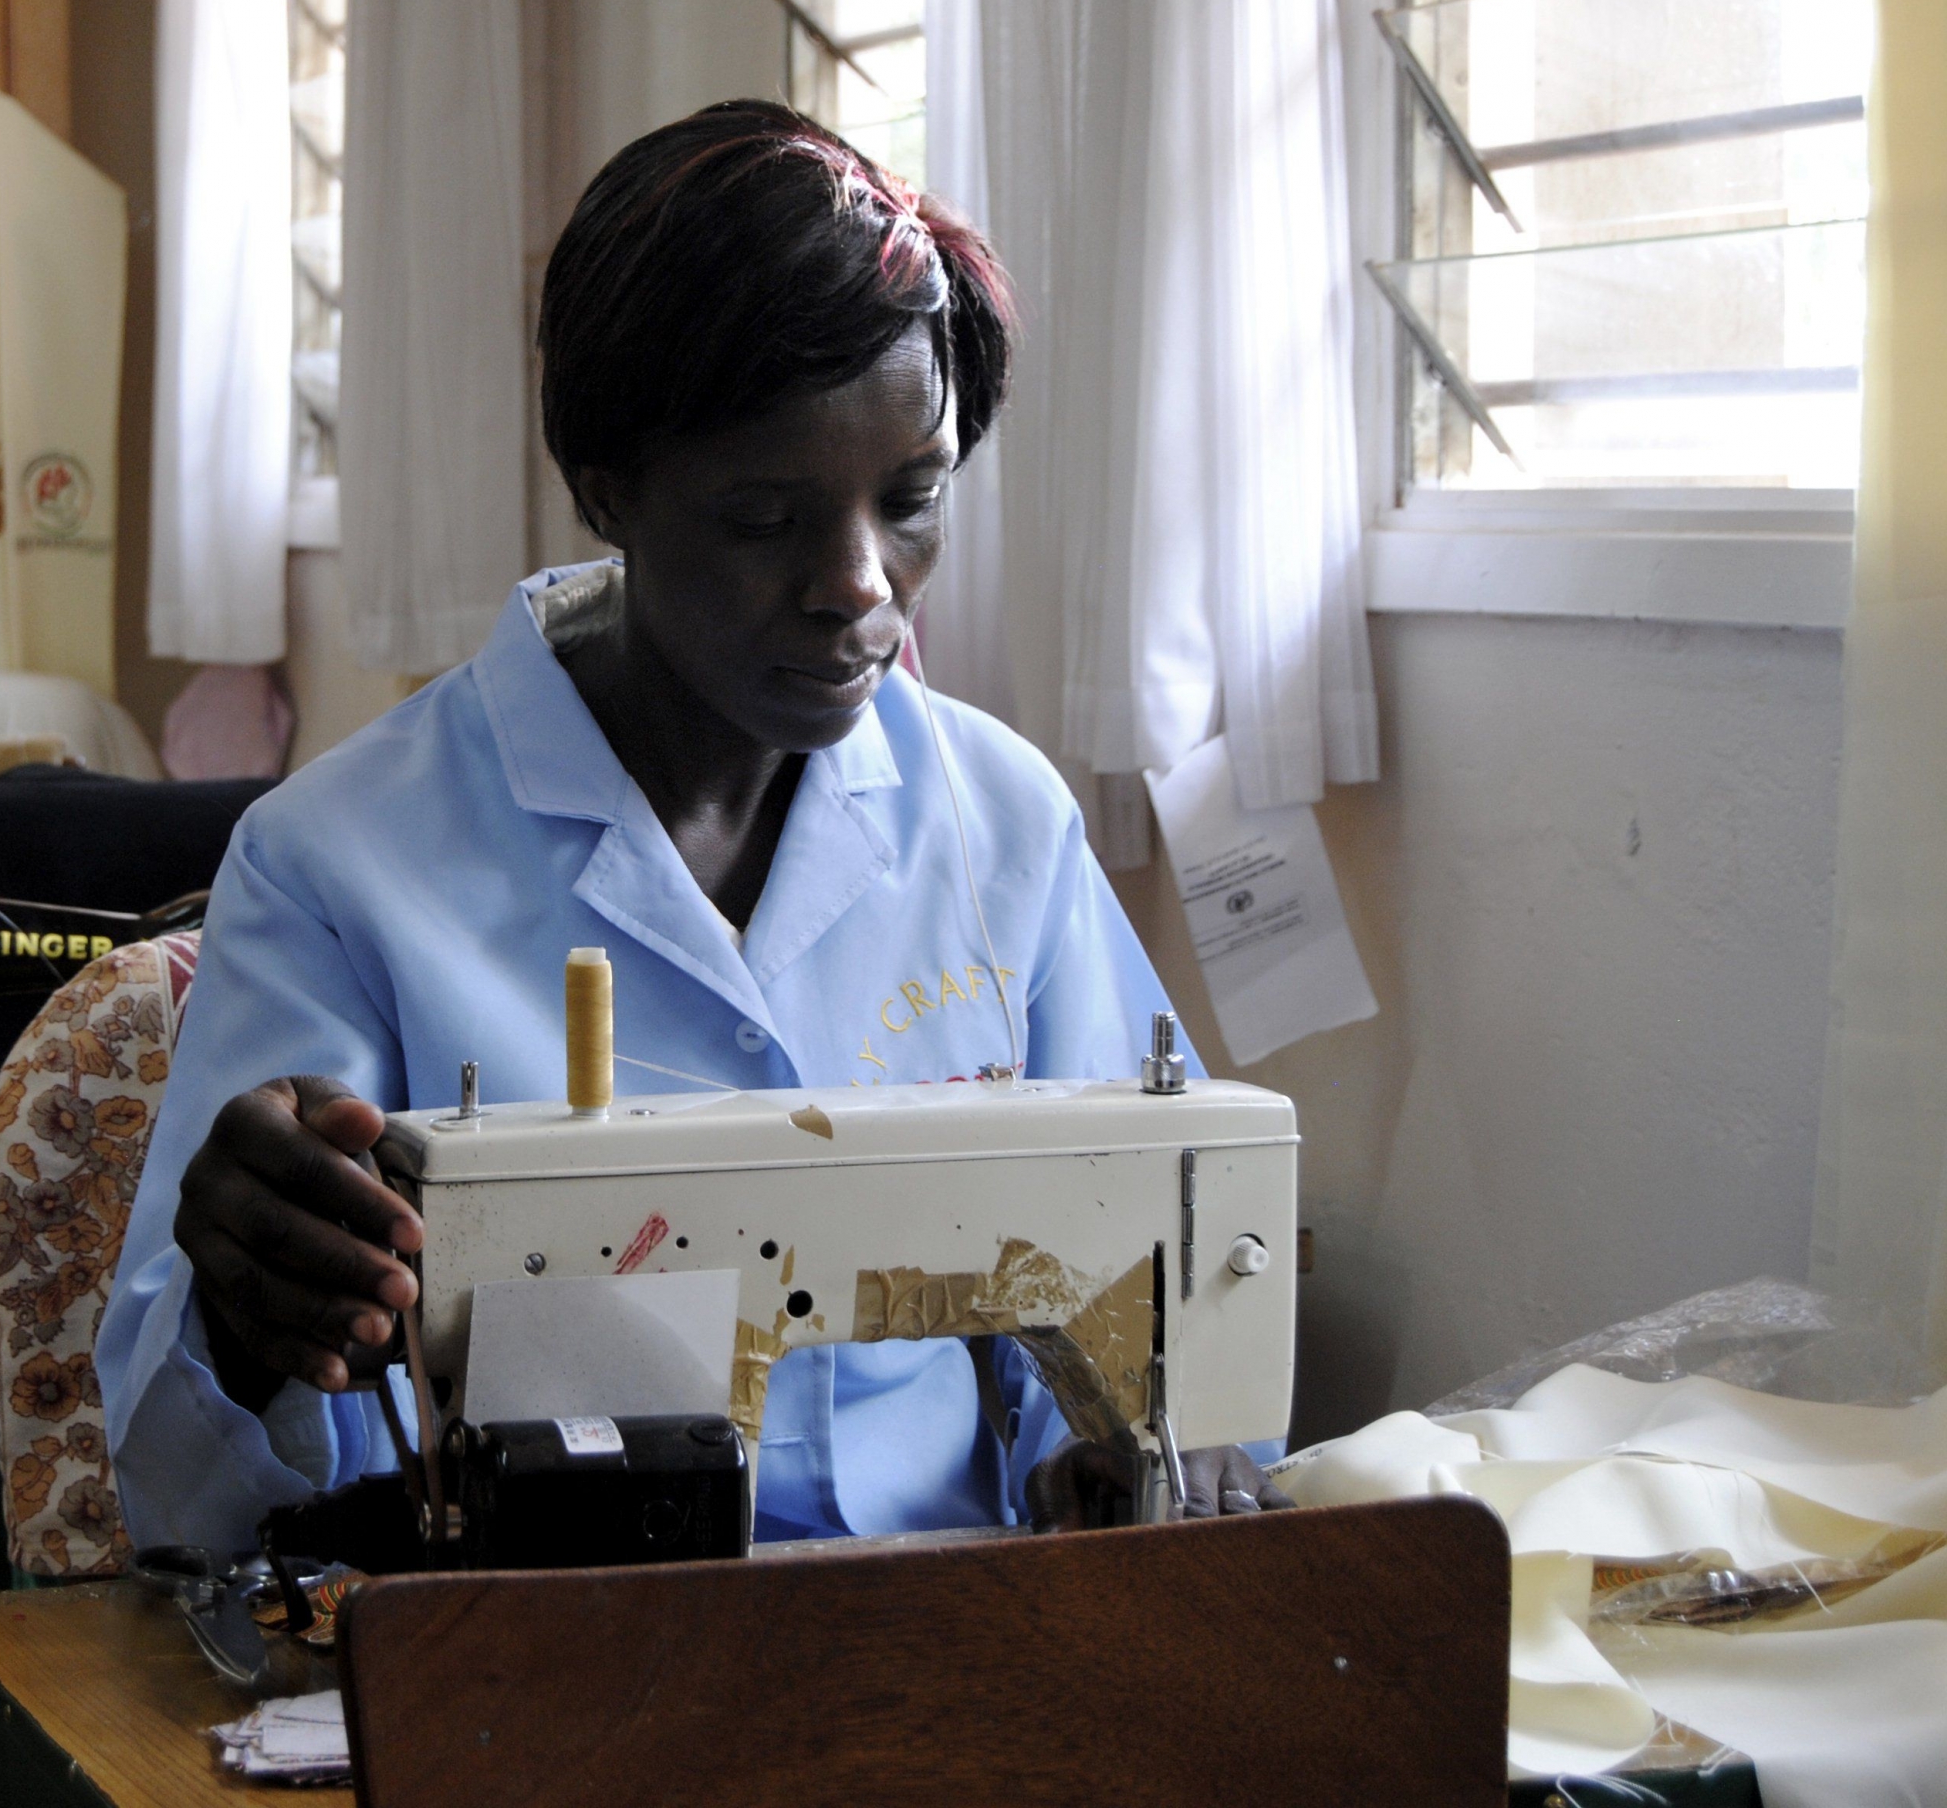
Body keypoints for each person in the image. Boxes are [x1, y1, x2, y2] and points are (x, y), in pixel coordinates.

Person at [99, 100, 1284, 1553]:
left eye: (911, 501)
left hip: (956, 1643)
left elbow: (1140, 1301)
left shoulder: (1001, 827)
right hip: (559, 1652)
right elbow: (177, 1489)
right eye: (766, 519)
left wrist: (1103, 1450)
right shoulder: (343, 869)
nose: (861, 584)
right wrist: (240, 1317)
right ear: (609, 489)